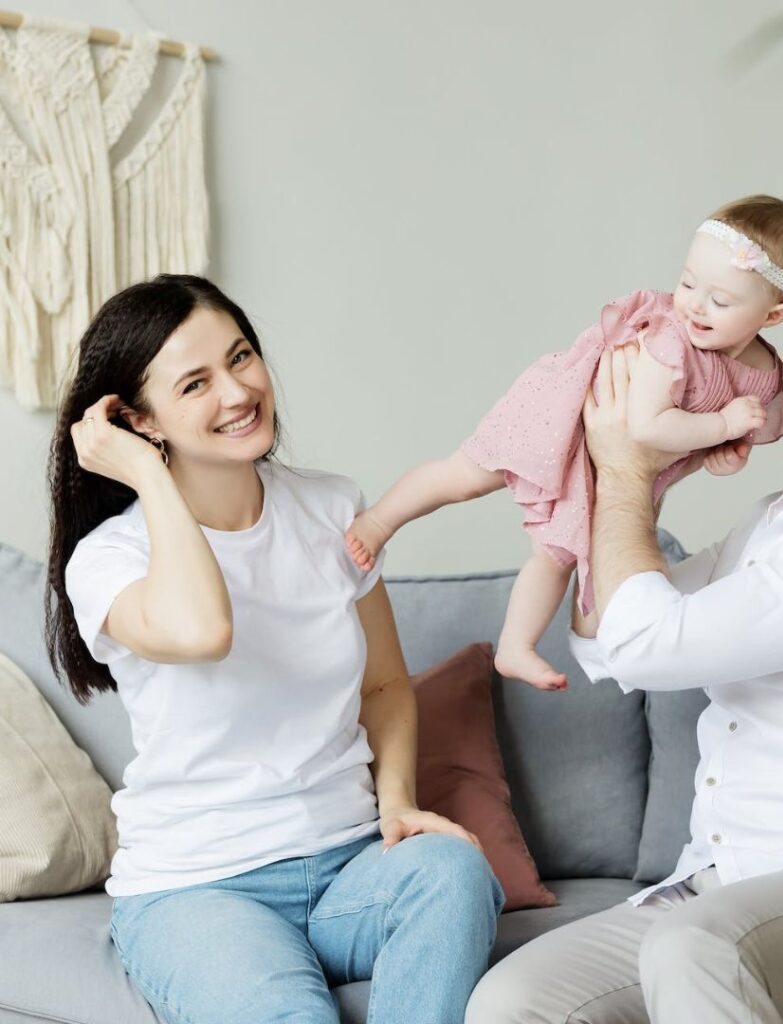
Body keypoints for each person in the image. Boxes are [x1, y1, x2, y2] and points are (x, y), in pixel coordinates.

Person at [465, 237, 783, 1024]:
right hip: (720, 882)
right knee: (513, 1002)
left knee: (694, 949)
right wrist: (648, 473)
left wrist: (627, 468)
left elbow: (649, 644)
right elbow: (605, 638)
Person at [44, 275, 504, 1024]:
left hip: (349, 862)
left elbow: (385, 685)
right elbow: (203, 630)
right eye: (195, 383)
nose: (238, 392)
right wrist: (144, 476)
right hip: (198, 887)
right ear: (138, 420)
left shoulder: (329, 508)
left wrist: (398, 805)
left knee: (455, 871)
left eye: (242, 357)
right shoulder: (108, 559)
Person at [346, 194, 783, 690]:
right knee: (464, 476)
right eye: (687, 282)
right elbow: (648, 426)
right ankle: (379, 521)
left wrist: (721, 451)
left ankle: (514, 647)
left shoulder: (764, 375)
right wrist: (720, 425)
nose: (694, 305)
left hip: (607, 465)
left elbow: (723, 433)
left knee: (555, 555)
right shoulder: (670, 339)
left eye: (720, 300)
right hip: (562, 416)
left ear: (773, 317)